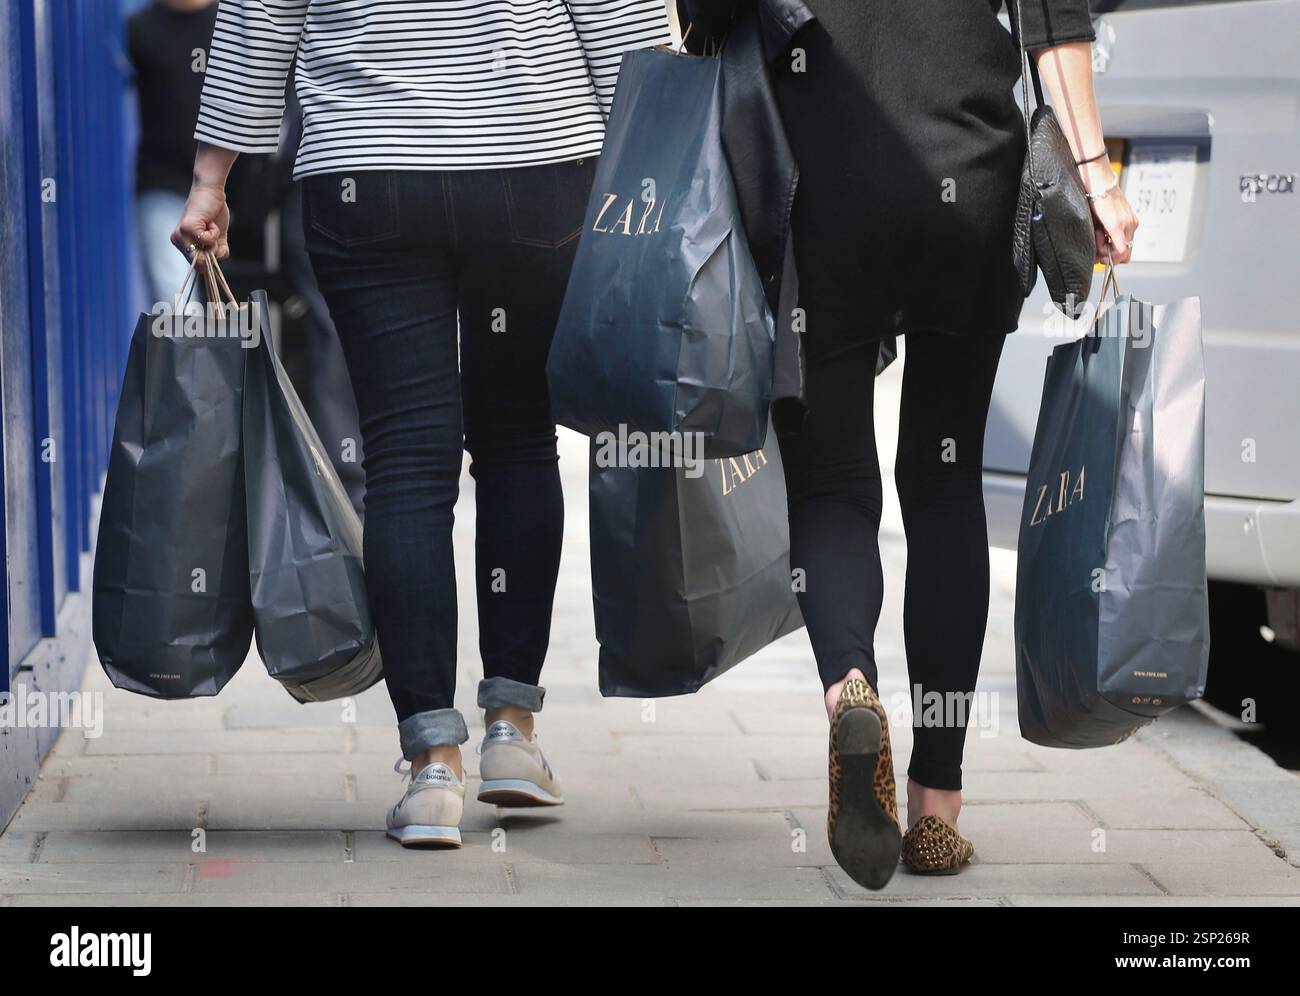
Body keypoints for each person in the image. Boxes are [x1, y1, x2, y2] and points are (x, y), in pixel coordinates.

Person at [175, 0, 670, 849]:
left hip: (368, 171)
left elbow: (262, 16)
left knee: (406, 459)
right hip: (533, 159)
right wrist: (660, 162)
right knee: (517, 441)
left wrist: (211, 176)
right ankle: (513, 728)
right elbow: (619, 18)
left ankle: (433, 766)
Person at [679, 0, 1138, 888]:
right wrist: (1097, 178)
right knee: (945, 482)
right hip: (967, 162)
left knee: (831, 484)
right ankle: (937, 803)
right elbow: (1055, 20)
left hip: (818, 176)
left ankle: (851, 691)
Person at [126, 0, 219, 305]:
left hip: (227, 195)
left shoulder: (231, 25)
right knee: (176, 307)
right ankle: (192, 356)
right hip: (163, 189)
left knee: (230, 308)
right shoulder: (137, 31)